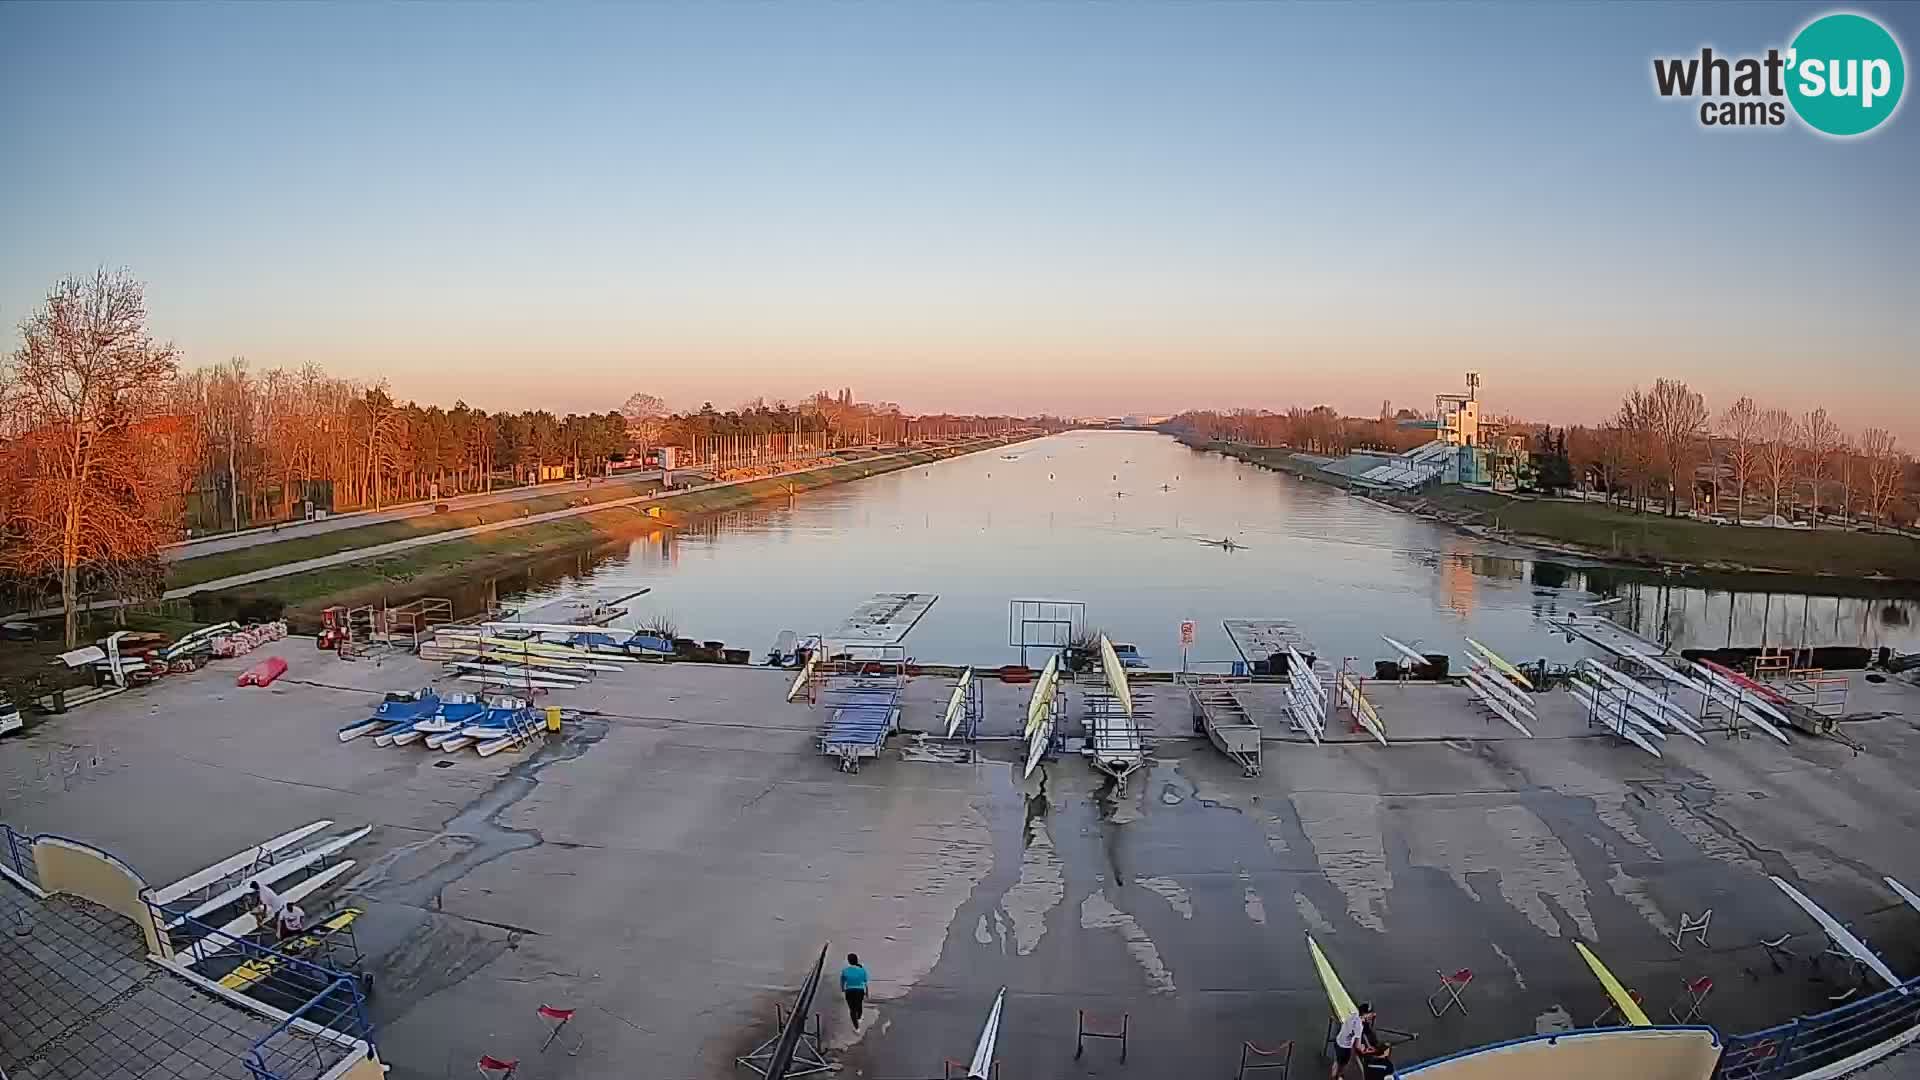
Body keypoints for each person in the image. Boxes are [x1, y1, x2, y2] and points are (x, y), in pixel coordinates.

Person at [1330, 1001, 1376, 1080]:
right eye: (1370, 1013)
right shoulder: (1359, 1026)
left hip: (1338, 1041)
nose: (1372, 1015)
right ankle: (1338, 1076)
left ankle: (1334, 1076)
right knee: (1343, 1064)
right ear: (1364, 1014)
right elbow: (1357, 1046)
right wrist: (1364, 1048)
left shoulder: (1353, 1015)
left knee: (1337, 1061)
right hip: (1345, 1047)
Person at [840, 952, 869, 1028]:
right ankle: (859, 1017)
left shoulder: (845, 970)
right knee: (859, 1004)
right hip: (860, 991)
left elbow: (842, 981)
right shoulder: (862, 970)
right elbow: (865, 982)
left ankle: (856, 1027)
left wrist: (843, 989)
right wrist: (867, 992)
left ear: (849, 961)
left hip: (849, 991)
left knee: (852, 1009)